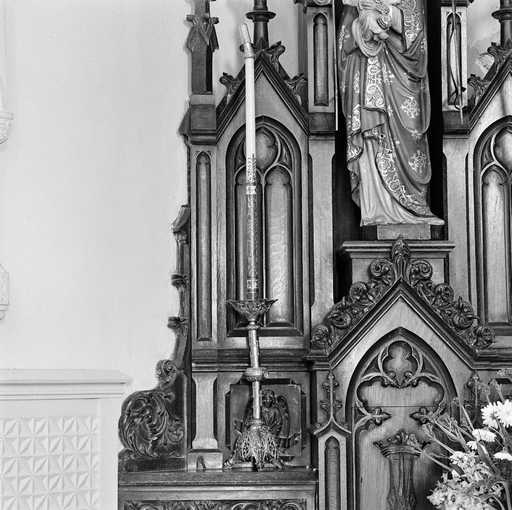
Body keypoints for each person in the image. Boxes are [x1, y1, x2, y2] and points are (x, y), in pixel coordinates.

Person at [338, 0, 444, 226]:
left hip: (403, 75)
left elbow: (416, 29)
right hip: (367, 66)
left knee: (411, 134)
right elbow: (345, 39)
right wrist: (363, 29)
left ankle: (414, 207)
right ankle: (376, 210)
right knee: (371, 132)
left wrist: (387, 12)